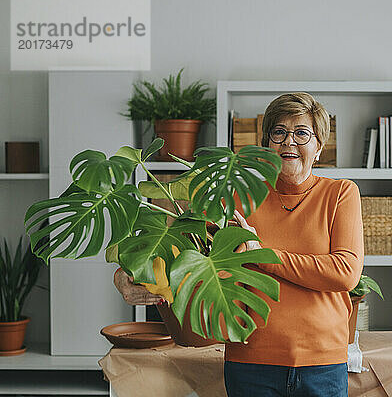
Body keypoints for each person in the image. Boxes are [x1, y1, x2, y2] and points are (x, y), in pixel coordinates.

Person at [114, 92, 364, 397]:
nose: (289, 142)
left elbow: (345, 272)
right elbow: (174, 246)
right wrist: (124, 277)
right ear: (266, 145)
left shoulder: (340, 194)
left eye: (302, 133)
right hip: (250, 364)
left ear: (319, 147)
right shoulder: (236, 198)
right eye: (279, 132)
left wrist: (258, 252)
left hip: (323, 365)